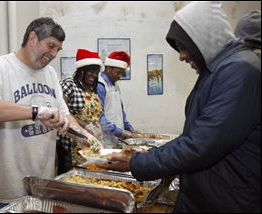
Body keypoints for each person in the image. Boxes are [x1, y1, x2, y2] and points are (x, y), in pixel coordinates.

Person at [100, 2, 261, 212]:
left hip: (226, 200)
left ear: (201, 39)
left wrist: (137, 163)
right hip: (207, 195)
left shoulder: (239, 71)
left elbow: (200, 145)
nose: (181, 56)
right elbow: (192, 136)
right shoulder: (220, 70)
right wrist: (151, 155)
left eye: (183, 47)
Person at [0, 17, 90, 212]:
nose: (54, 53)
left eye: (58, 49)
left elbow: (65, 115)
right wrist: (35, 112)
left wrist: (84, 136)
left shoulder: (50, 74)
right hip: (6, 183)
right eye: (51, 46)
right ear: (32, 38)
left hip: (42, 181)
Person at [57, 48, 103, 174]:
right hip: (72, 144)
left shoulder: (94, 89)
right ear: (82, 70)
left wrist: (96, 129)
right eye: (91, 72)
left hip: (91, 141)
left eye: (96, 72)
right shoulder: (69, 84)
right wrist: (86, 126)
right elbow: (62, 110)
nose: (94, 75)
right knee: (74, 177)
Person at [97, 51, 135, 149]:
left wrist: (128, 127)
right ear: (109, 68)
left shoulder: (115, 86)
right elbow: (99, 116)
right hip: (106, 139)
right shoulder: (100, 85)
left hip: (118, 138)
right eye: (118, 73)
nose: (120, 76)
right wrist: (120, 132)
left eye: (122, 73)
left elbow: (121, 111)